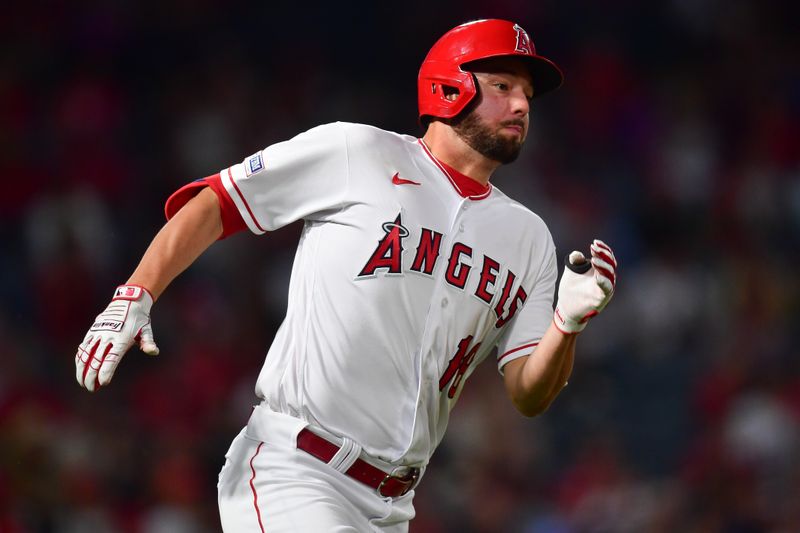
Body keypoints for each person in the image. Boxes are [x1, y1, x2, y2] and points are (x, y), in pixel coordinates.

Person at [75, 18, 617, 532]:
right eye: (503, 85)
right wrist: (135, 294)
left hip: (392, 505)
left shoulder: (529, 238)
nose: (522, 103)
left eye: (527, 94)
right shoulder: (358, 151)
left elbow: (528, 392)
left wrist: (567, 325)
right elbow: (217, 201)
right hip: (297, 469)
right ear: (449, 87)